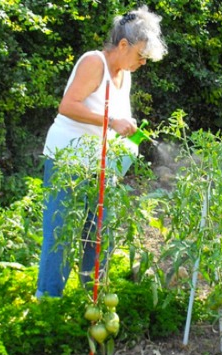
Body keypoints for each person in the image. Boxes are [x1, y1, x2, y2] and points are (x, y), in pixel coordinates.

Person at [36, 6, 167, 298]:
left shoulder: (125, 74)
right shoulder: (93, 62)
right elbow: (68, 106)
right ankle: (48, 302)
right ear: (123, 45)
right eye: (141, 56)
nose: (143, 63)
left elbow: (115, 118)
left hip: (100, 166)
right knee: (61, 233)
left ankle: (90, 298)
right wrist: (112, 122)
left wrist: (128, 126)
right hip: (67, 163)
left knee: (97, 235)